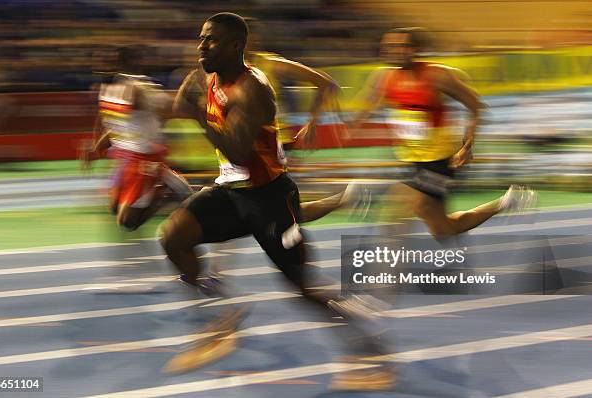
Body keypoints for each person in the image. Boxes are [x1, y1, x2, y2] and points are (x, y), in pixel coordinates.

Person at [161, 13, 392, 389]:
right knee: (173, 237)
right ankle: (221, 314)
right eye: (201, 39)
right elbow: (180, 101)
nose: (202, 47)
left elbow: (236, 149)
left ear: (236, 46)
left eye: (212, 41)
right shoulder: (204, 76)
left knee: (303, 288)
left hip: (269, 196)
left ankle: (372, 351)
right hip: (230, 190)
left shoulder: (253, 89)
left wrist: (199, 117)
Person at [348, 27, 535, 238]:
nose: (394, 51)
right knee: (445, 230)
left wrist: (467, 146)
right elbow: (365, 106)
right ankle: (505, 202)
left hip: (442, 161)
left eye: (400, 46)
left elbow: (475, 106)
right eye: (389, 47)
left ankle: (389, 270)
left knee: (395, 212)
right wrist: (351, 124)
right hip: (411, 161)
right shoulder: (384, 78)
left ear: (414, 49)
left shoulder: (436, 76)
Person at [81, 46, 194, 231]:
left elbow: (168, 108)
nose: (103, 67)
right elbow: (111, 123)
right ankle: (161, 186)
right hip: (124, 155)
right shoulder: (106, 88)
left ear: (122, 65)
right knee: (113, 208)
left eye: (109, 62)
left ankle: (167, 191)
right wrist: (96, 148)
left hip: (144, 156)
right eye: (100, 62)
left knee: (128, 222)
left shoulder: (138, 88)